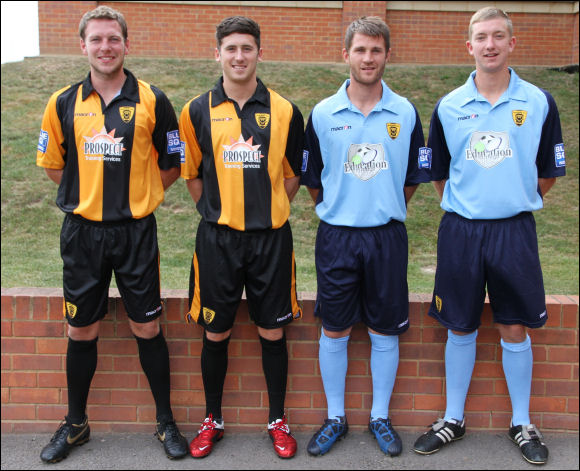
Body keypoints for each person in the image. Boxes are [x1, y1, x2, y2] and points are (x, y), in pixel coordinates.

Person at [412, 7, 566, 466]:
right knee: (460, 324)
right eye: (482, 37)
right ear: (470, 46)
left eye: (499, 36)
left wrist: (509, 199)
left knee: (513, 325)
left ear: (512, 43)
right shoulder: (448, 105)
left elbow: (548, 171)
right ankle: (453, 418)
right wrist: (472, 204)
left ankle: (522, 421)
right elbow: (439, 173)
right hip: (461, 230)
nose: (491, 44)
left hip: (514, 231)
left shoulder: (539, 101)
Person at [35, 6, 188, 463]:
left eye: (113, 39)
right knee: (80, 329)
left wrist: (136, 197)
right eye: (96, 39)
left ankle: (165, 422)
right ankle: (77, 424)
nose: (105, 47)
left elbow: (172, 162)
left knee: (148, 326)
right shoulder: (63, 101)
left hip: (136, 233)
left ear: (126, 44)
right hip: (82, 233)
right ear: (82, 45)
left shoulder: (153, 99)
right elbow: (54, 166)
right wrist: (91, 199)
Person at [301, 16, 430, 457]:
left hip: (386, 237)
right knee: (334, 330)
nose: (368, 58)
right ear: (346, 55)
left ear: (387, 55)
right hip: (337, 236)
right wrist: (344, 206)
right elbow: (314, 179)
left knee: (384, 331)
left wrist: (382, 206)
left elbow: (411, 177)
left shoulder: (406, 112)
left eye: (376, 50)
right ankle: (335, 416)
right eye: (360, 49)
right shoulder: (321, 113)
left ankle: (379, 416)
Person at [178, 16, 304, 459]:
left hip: (270, 242)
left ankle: (277, 420)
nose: (238, 56)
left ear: (259, 53)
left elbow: (292, 177)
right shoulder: (196, 110)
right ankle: (212, 418)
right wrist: (218, 212)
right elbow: (191, 175)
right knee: (217, 332)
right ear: (218, 53)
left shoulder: (285, 110)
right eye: (230, 48)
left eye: (247, 48)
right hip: (218, 242)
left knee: (272, 332)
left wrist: (266, 211)